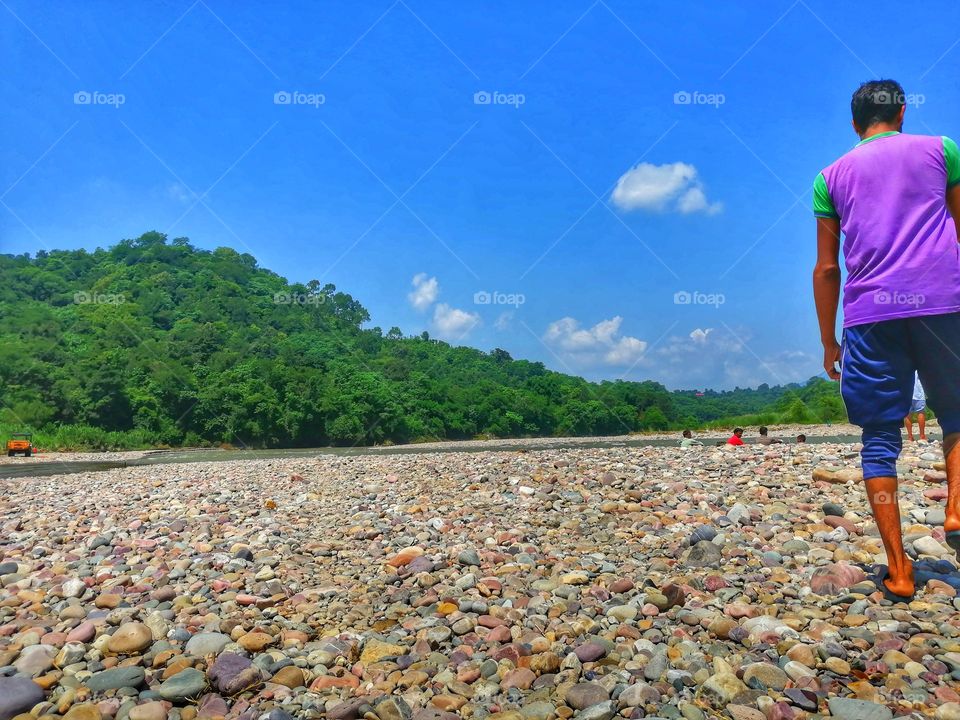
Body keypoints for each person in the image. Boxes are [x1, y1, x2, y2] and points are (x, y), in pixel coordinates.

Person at [813, 79, 960, 602]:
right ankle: (955, 508)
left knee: (879, 439)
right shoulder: (943, 150)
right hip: (942, 302)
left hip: (870, 313)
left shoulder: (829, 177)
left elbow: (827, 268)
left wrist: (829, 341)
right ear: (901, 113)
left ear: (855, 123)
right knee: (957, 413)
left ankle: (898, 570)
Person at [904, 372, 928, 442]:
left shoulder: (904, 368)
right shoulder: (918, 369)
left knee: (907, 414)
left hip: (907, 393)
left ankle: (910, 436)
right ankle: (922, 435)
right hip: (919, 393)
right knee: (921, 412)